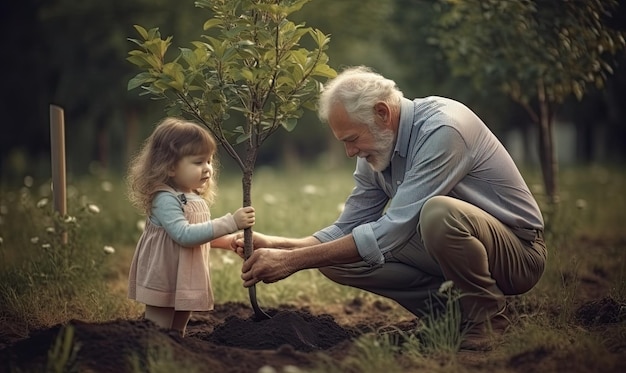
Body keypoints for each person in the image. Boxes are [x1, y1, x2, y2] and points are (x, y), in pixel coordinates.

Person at [238, 66, 546, 350]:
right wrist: (279, 247)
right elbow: (348, 226)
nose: (349, 153)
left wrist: (292, 262)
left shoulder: (444, 129)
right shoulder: (375, 153)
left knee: (438, 214)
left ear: (383, 113)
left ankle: (488, 319)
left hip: (517, 253)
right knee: (333, 258)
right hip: (448, 245)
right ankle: (451, 319)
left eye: (352, 139)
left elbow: (392, 229)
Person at [127, 117, 255, 337]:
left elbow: (199, 232)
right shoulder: (165, 198)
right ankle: (151, 354)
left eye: (209, 161)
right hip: (165, 274)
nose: (207, 169)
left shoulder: (193, 196)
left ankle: (175, 353)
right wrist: (230, 223)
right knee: (158, 327)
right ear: (169, 166)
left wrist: (227, 242)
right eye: (198, 162)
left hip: (185, 275)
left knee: (178, 326)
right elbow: (184, 235)